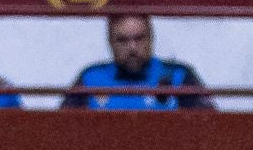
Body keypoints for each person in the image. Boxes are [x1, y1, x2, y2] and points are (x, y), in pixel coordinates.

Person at [61, 13, 215, 111]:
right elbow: (61, 131)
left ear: (151, 38)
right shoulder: (90, 78)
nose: (132, 48)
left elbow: (210, 130)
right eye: (122, 40)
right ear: (110, 42)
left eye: (139, 38)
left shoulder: (178, 76)